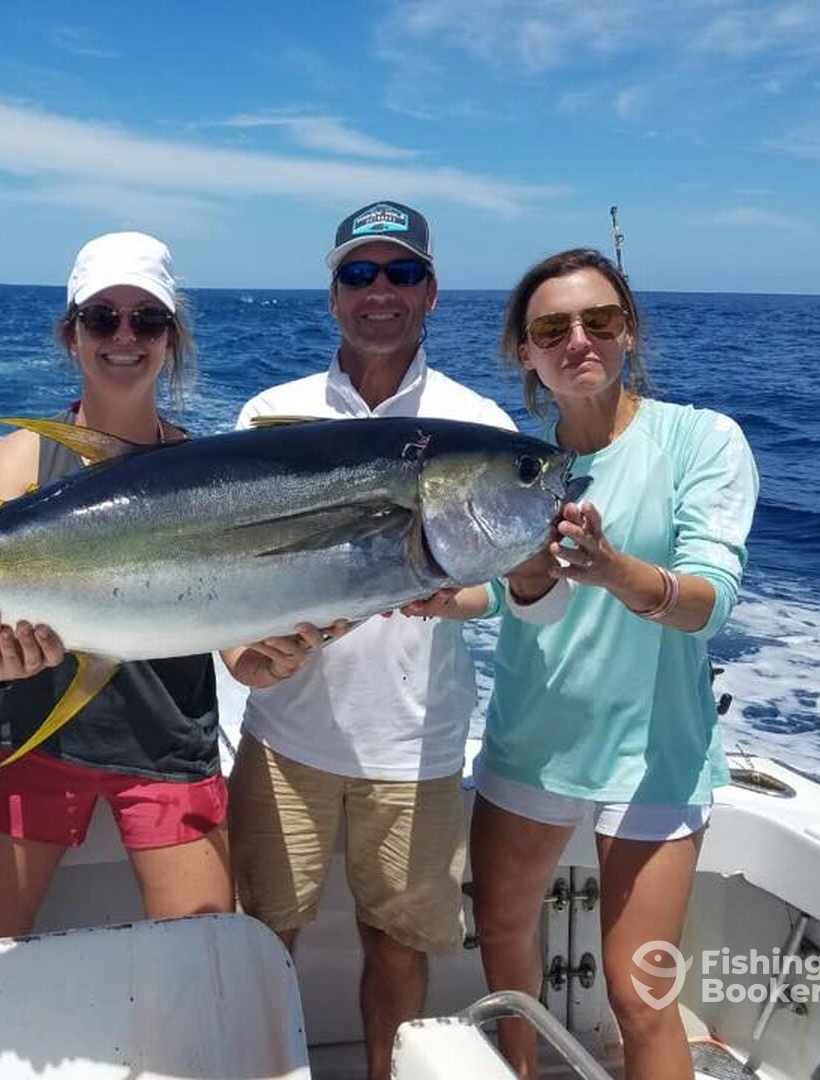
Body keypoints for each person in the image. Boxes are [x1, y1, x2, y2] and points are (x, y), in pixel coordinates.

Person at [220, 201, 564, 1080]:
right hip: (285, 733)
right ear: (332, 294)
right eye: (359, 274)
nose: (381, 292)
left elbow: (512, 589)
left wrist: (466, 600)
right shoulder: (272, 414)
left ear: (432, 293)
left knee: (398, 946)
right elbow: (224, 576)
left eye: (401, 273)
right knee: (265, 937)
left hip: (416, 743)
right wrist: (239, 652)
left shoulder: (473, 421)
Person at [469, 248, 759, 1080]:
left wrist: (610, 567)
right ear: (525, 352)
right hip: (534, 738)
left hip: (655, 753)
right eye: (552, 328)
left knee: (640, 996)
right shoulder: (519, 467)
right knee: (502, 949)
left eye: (598, 320)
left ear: (628, 330)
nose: (578, 340)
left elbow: (709, 599)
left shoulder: (701, 439)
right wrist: (422, 590)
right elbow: (498, 597)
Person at [0, 231, 233, 944]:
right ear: (72, 334)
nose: (124, 336)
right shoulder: (20, 457)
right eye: (102, 317)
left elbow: (241, 643)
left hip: (169, 749)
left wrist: (285, 654)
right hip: (35, 741)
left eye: (148, 319)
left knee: (208, 975)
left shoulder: (212, 474)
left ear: (170, 339)